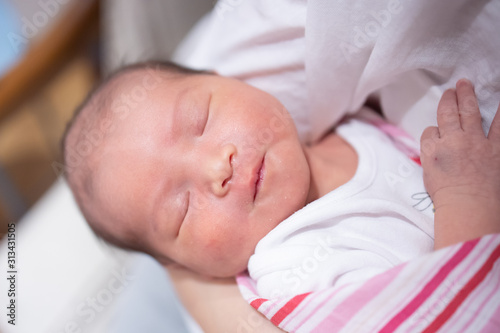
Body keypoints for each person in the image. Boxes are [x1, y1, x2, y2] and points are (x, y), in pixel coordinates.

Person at [62, 60, 500, 300]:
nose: (218, 168)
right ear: (184, 267)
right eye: (182, 208)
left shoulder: (346, 118)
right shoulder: (293, 271)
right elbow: (448, 314)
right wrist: (467, 198)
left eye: (202, 119)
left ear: (229, 78)